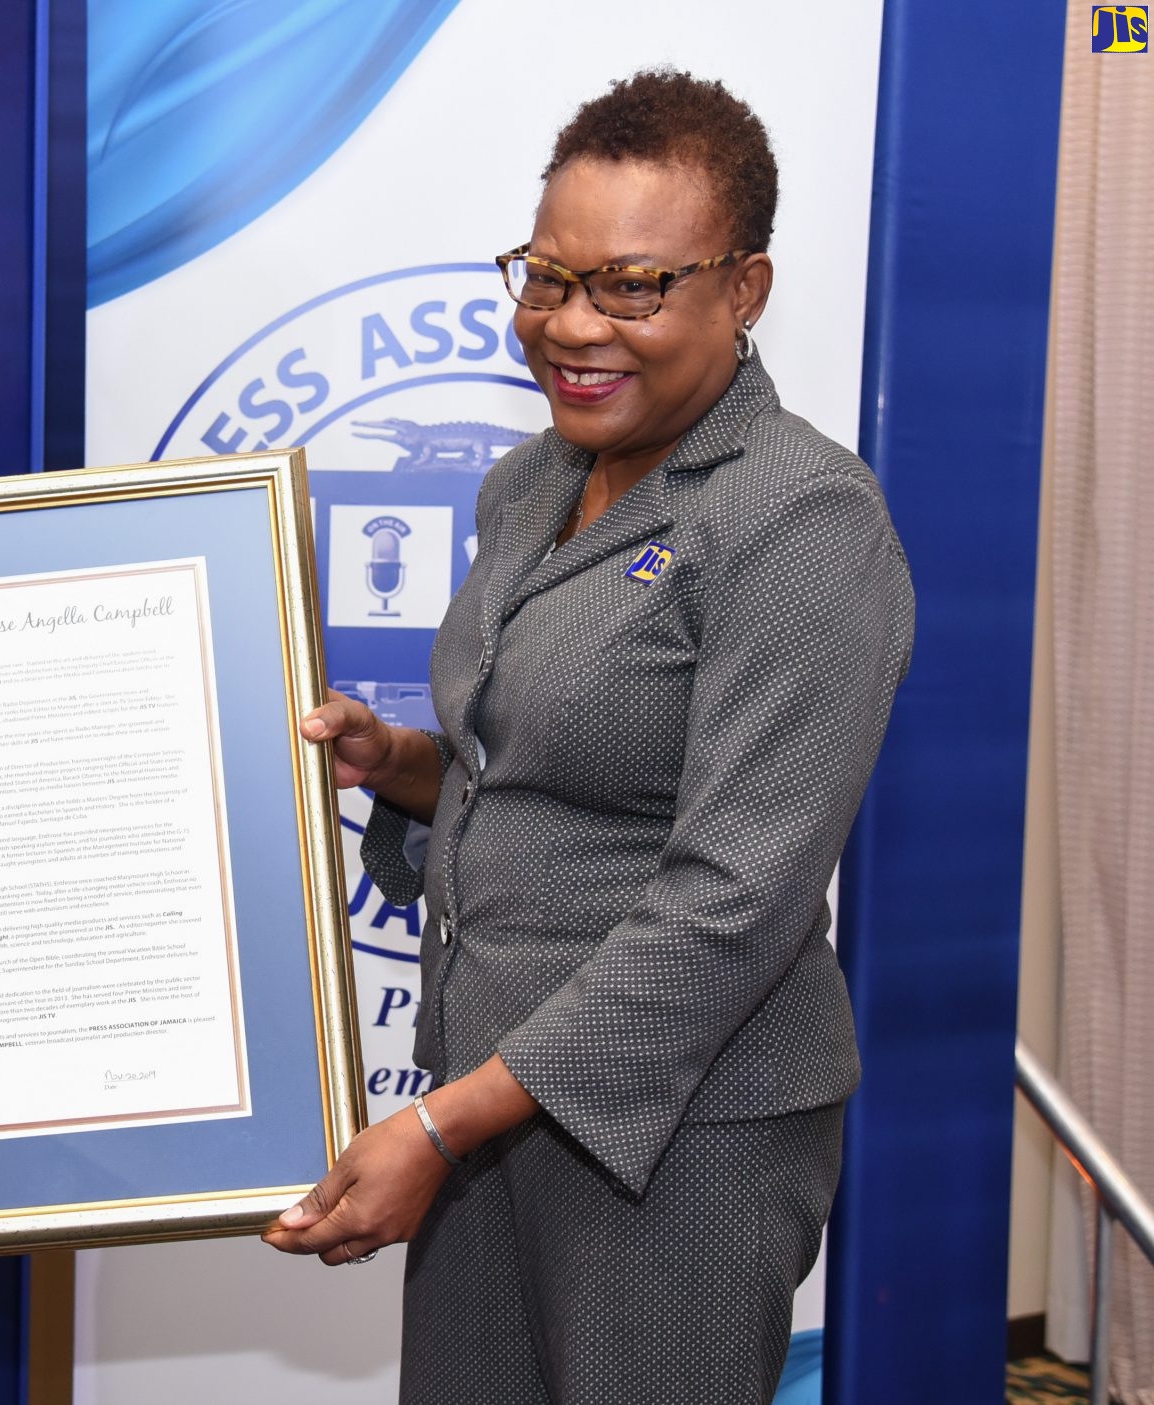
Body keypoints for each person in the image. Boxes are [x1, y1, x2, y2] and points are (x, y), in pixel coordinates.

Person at [263, 69, 914, 1403]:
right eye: (548, 276)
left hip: (675, 1136)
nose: (570, 325)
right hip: (495, 1088)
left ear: (745, 289)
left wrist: (440, 1126)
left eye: (632, 285)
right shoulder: (531, 480)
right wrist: (401, 763)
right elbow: (542, 774)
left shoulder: (805, 520)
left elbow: (730, 901)